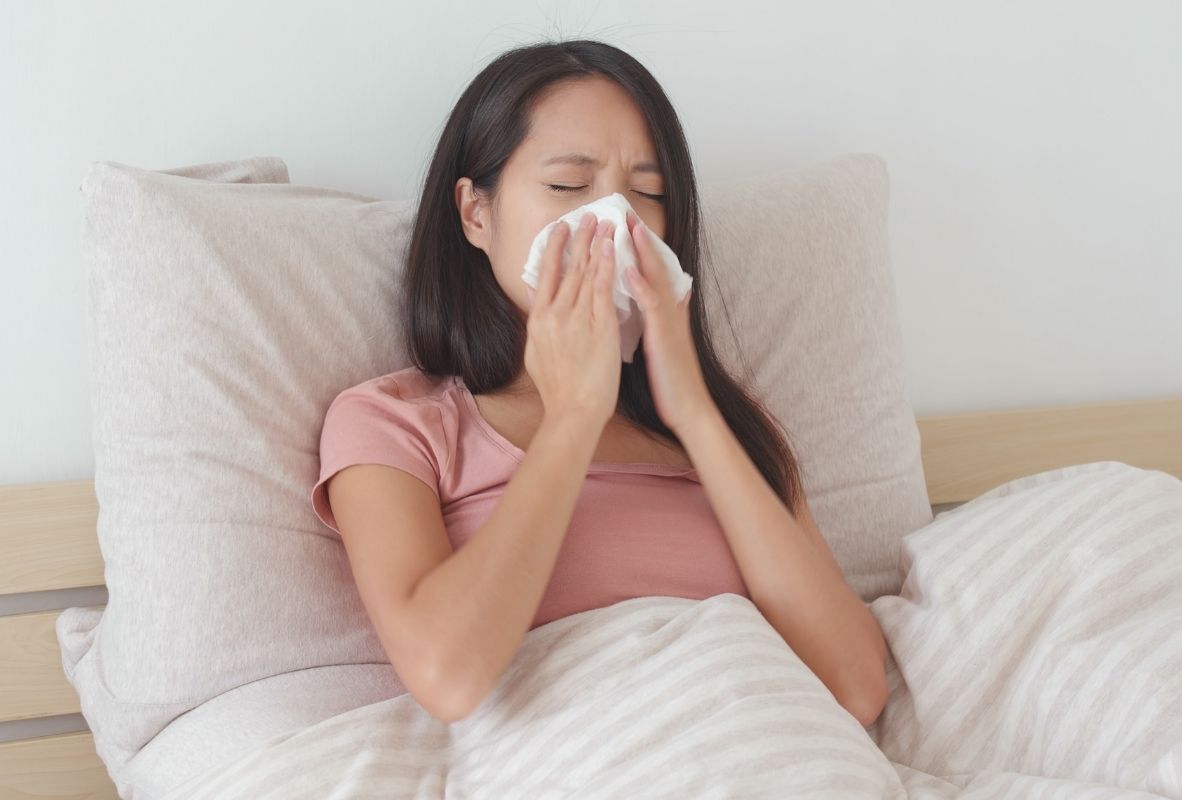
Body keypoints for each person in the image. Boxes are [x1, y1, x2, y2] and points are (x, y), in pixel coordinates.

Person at [312, 38, 888, 728]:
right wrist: (573, 417)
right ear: (475, 213)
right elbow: (449, 676)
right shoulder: (394, 423)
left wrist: (696, 415)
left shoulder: (726, 433)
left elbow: (855, 687)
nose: (614, 223)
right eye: (567, 186)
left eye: (648, 193)